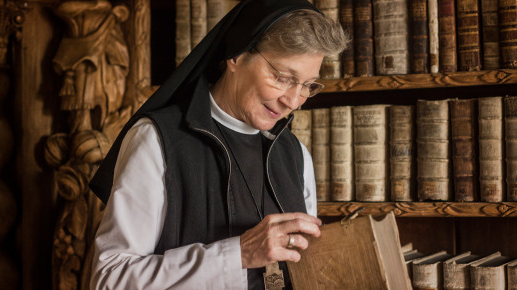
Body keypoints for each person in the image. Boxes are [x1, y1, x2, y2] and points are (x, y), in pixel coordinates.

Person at [87, 0, 349, 288]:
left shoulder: (297, 155)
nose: (293, 101)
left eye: (308, 85)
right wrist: (238, 254)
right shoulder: (156, 140)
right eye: (282, 78)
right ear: (235, 56)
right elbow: (109, 279)